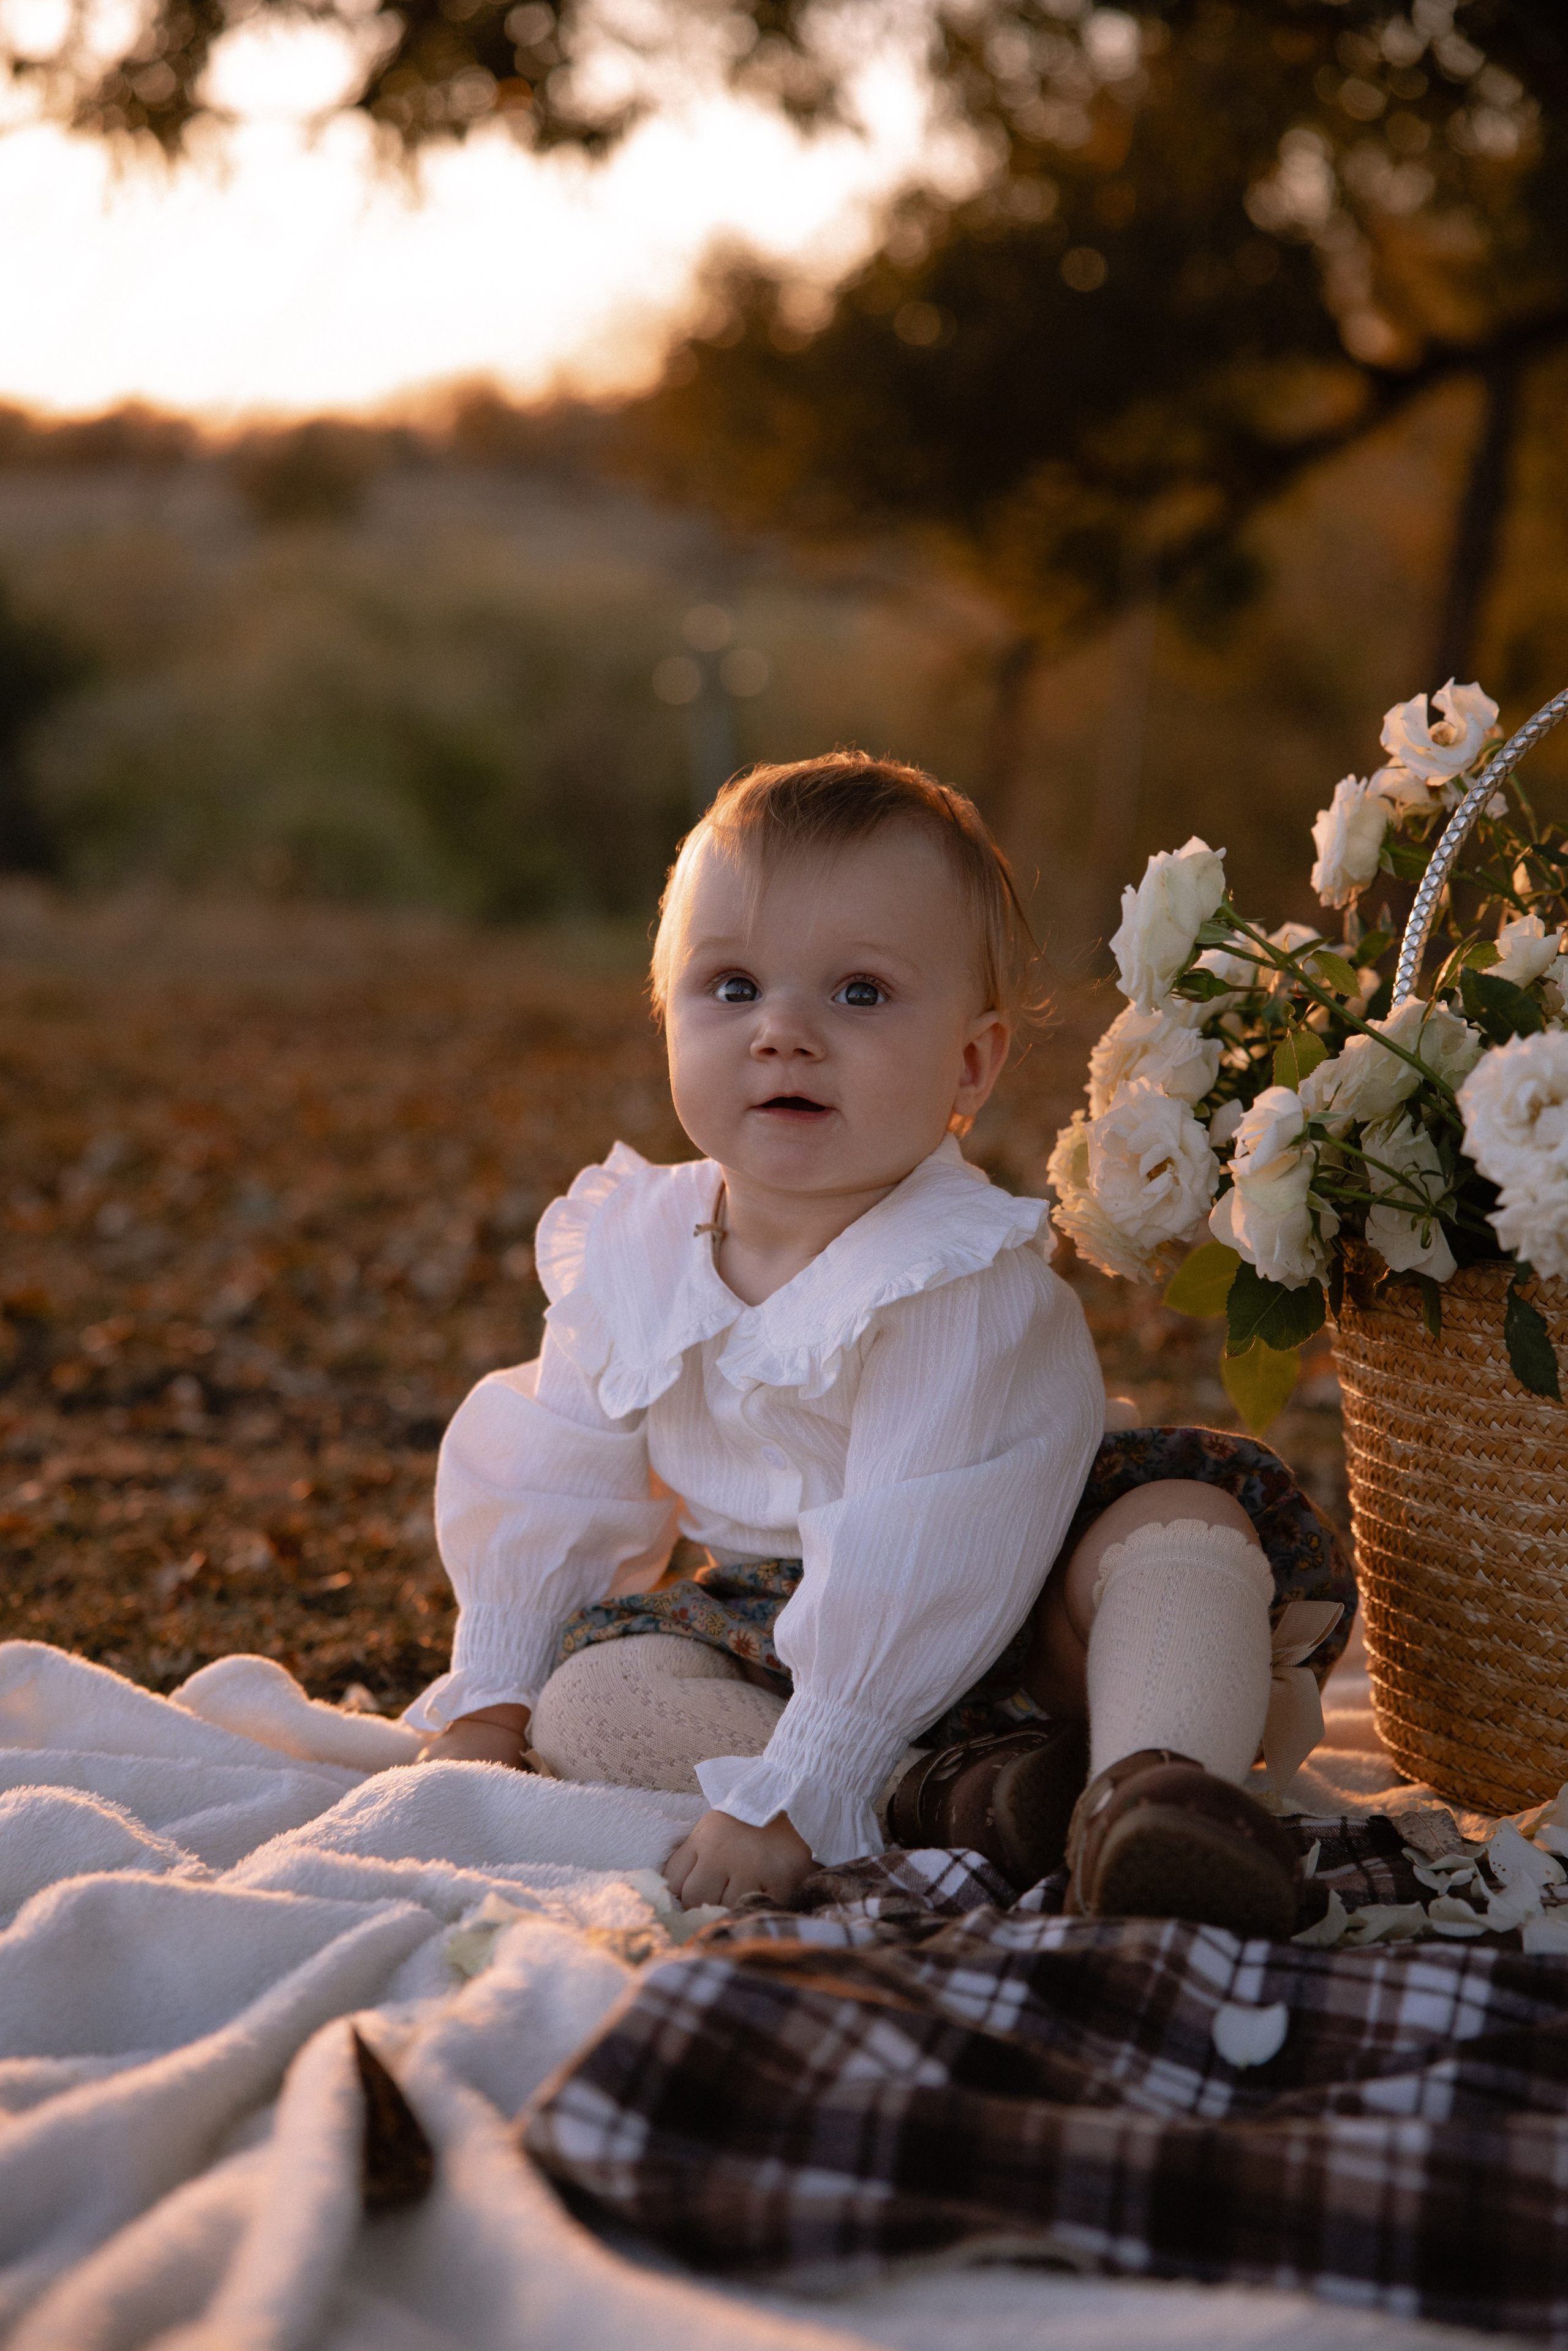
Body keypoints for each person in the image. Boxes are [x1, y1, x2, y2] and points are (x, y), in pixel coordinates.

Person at [404, 755, 1354, 1933]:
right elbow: (554, 1465)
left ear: (971, 1062)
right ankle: (962, 1799)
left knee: (1185, 1536)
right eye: (733, 985)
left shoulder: (956, 1273)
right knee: (589, 1697)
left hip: (1022, 1602)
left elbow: (928, 1548)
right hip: (775, 1641)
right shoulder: (635, 1246)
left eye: (859, 993)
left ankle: (1156, 1794)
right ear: (668, 1017)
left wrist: (807, 1786)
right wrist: (494, 1695)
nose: (785, 1033)